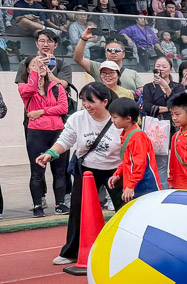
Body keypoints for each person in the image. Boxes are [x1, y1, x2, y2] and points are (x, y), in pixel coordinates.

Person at [40, 83, 123, 264]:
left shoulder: (118, 118)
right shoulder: (78, 118)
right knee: (78, 211)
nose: (86, 105)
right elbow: (65, 140)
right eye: (83, 100)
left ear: (105, 101)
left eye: (91, 101)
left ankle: (125, 249)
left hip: (116, 171)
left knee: (123, 211)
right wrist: (50, 153)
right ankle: (71, 251)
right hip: (87, 171)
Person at [20, 53, 70, 216]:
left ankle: (60, 204)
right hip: (37, 134)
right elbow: (31, 88)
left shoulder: (57, 87)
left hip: (57, 133)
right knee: (37, 171)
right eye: (34, 65)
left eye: (42, 64)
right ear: (28, 70)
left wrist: (41, 111)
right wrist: (35, 71)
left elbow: (63, 108)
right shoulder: (24, 88)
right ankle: (37, 205)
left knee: (59, 170)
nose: (39, 67)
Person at [106, 97, 160, 202]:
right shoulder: (127, 134)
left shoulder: (137, 137)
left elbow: (139, 164)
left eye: (115, 117)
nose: (112, 121)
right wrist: (118, 174)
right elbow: (127, 160)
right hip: (135, 184)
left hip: (144, 186)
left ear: (128, 118)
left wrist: (130, 186)